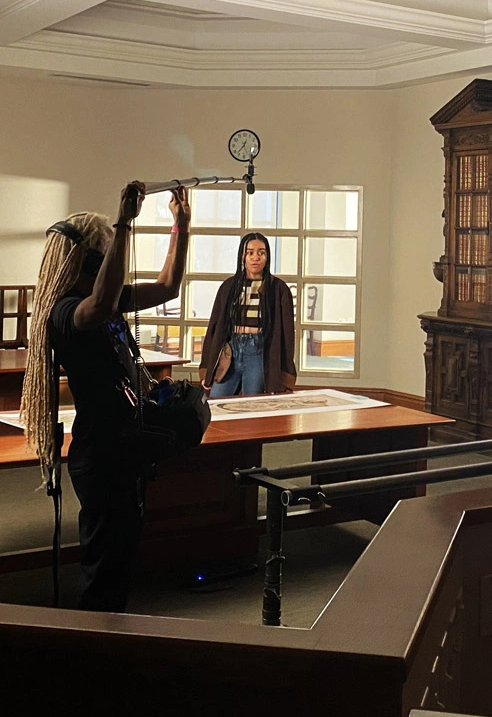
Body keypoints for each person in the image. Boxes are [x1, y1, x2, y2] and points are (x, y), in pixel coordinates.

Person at [21, 181, 190, 612]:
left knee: (121, 562)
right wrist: (123, 224)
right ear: (86, 261)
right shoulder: (63, 311)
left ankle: (109, 646)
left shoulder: (108, 300)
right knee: (104, 572)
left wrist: (181, 226)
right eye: (100, 257)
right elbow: (97, 307)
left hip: (123, 450)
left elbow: (168, 286)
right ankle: (90, 654)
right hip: (100, 455)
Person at [199, 232, 296, 396]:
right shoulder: (229, 286)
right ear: (242, 256)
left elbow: (287, 336)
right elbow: (214, 328)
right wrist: (207, 368)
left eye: (261, 252)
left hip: (259, 351)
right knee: (216, 403)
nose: (255, 257)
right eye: (250, 252)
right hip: (230, 351)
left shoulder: (278, 289)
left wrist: (285, 376)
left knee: (252, 403)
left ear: (267, 257)